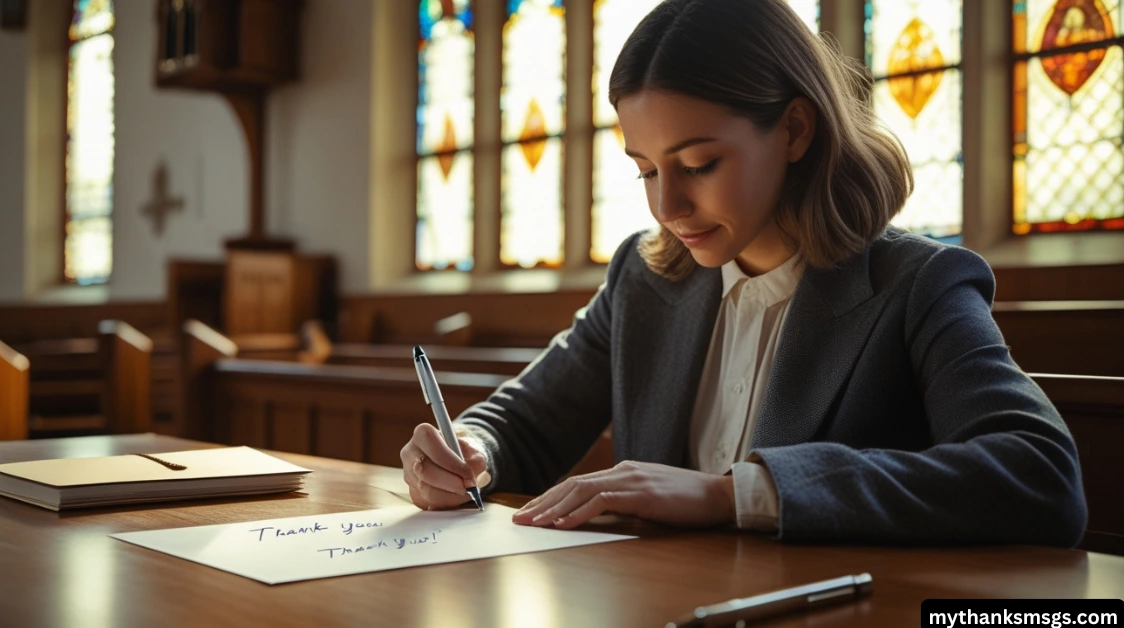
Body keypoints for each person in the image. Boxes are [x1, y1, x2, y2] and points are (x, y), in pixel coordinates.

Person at [398, 0, 1087, 546]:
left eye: (698, 165)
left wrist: (734, 494)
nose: (666, 206)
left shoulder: (916, 285)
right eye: (645, 170)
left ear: (793, 130)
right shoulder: (644, 280)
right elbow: (526, 421)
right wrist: (470, 450)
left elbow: (1041, 476)